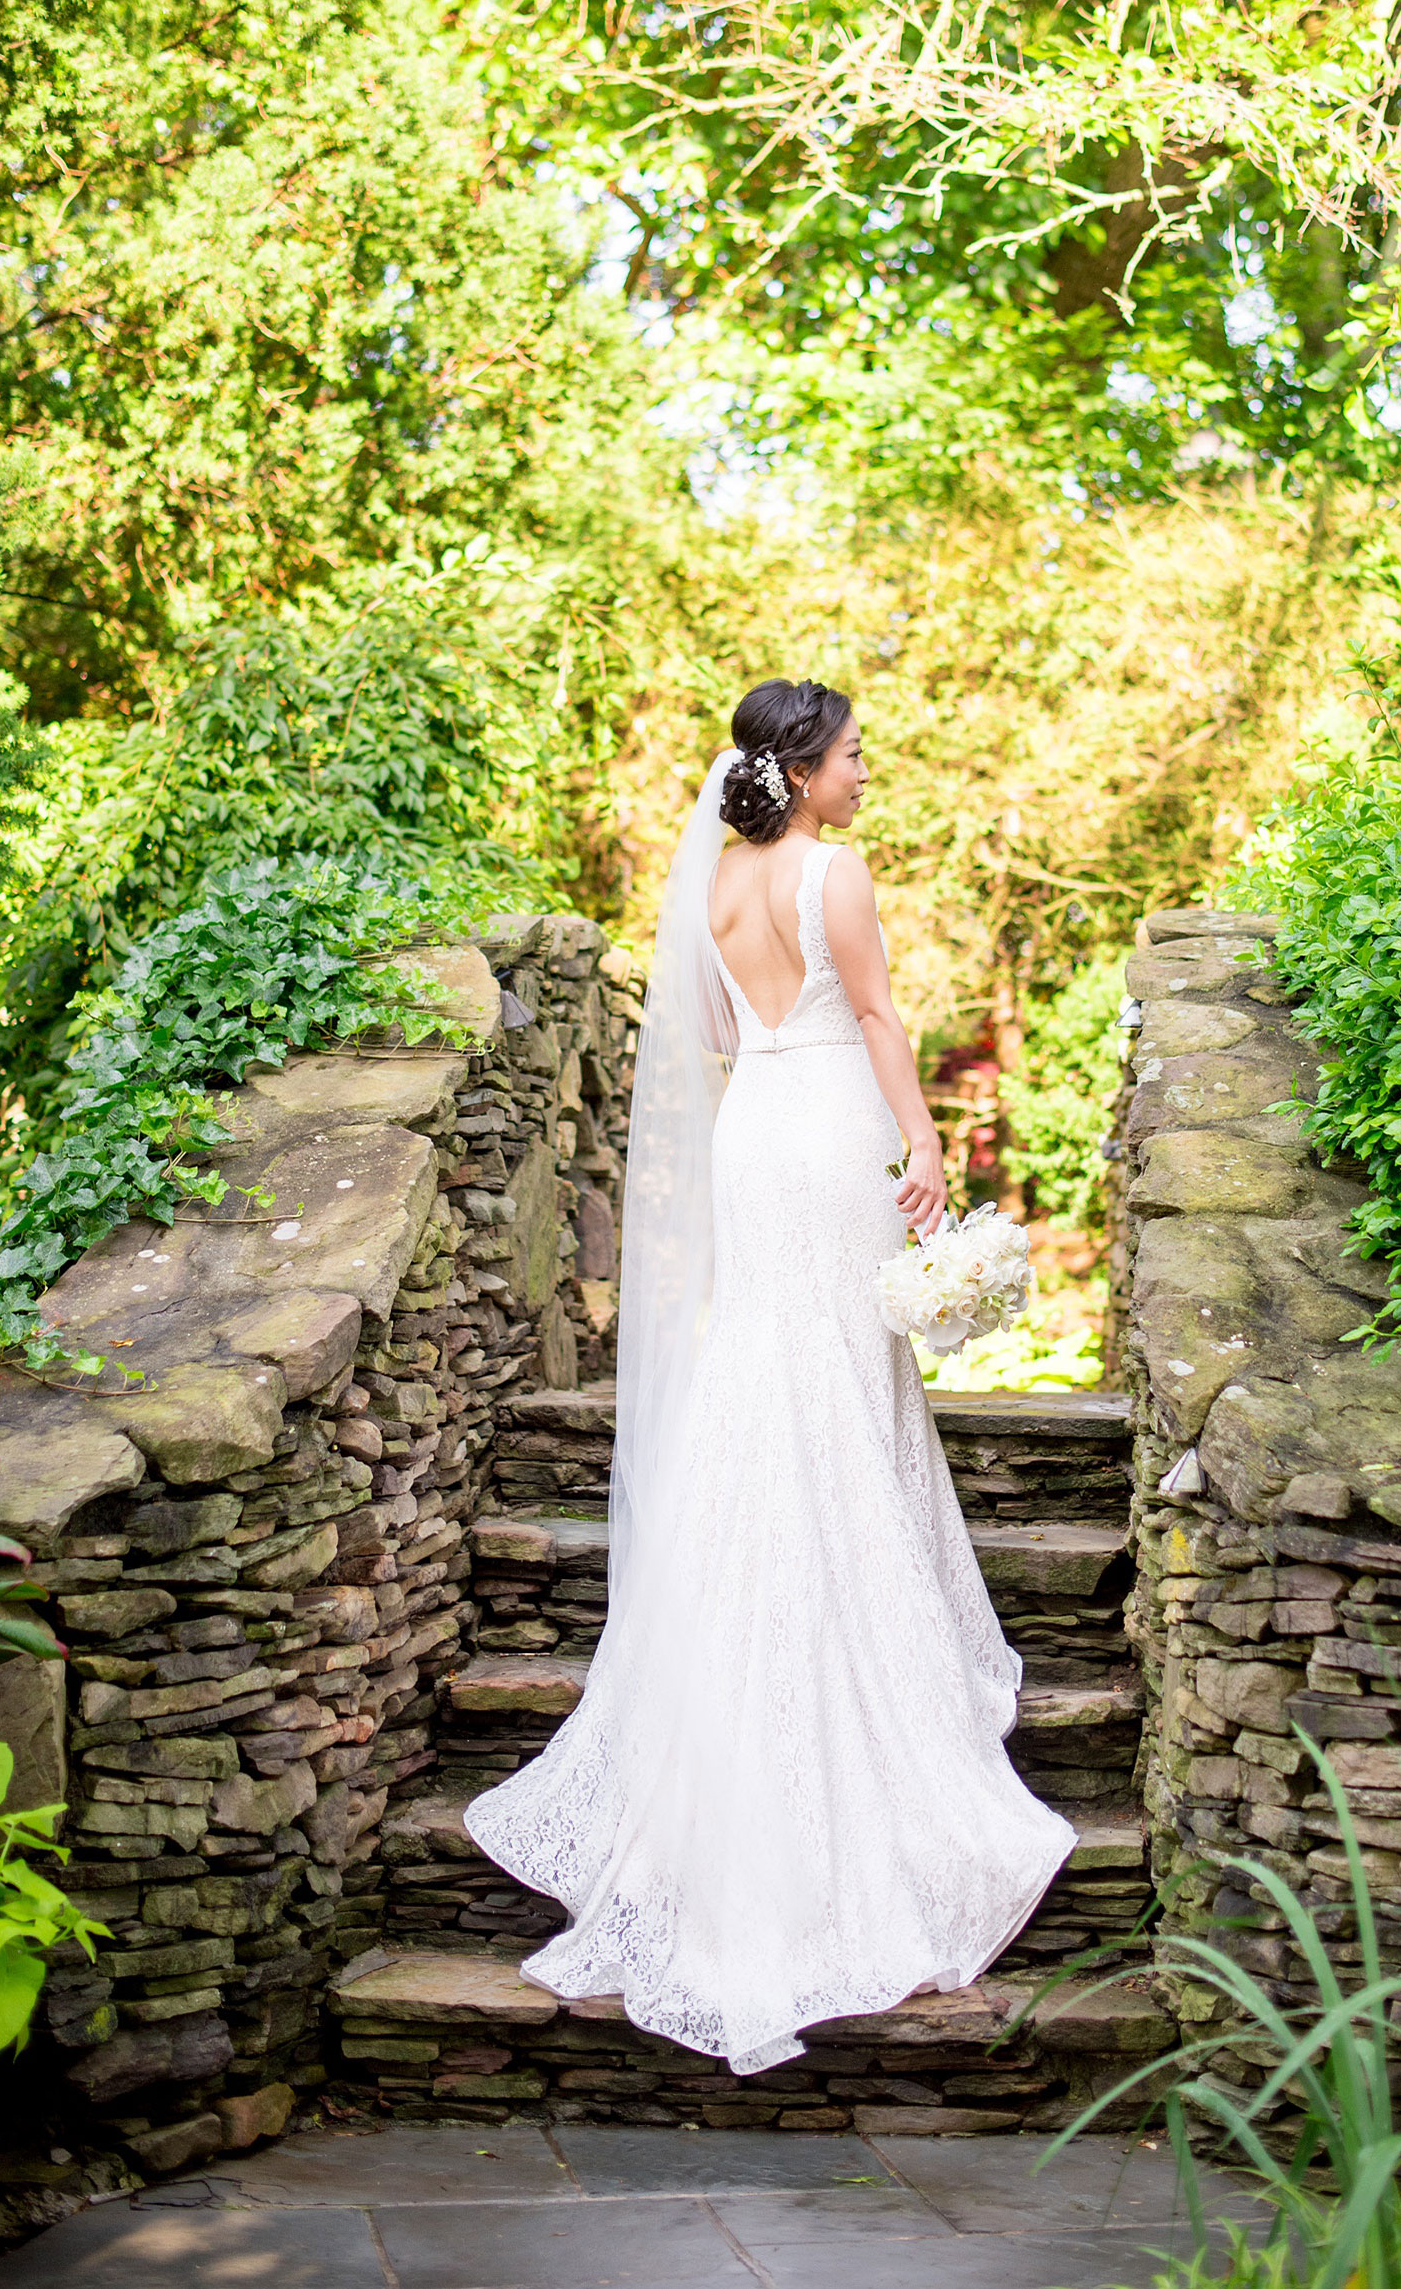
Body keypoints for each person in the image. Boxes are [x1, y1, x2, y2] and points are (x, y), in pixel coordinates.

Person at [464, 677, 1074, 2074]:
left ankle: (729, 1697)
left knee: (775, 1371)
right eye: (854, 751)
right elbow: (875, 1015)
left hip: (756, 1136)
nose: (867, 769)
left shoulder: (719, 879)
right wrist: (925, 1147)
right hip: (824, 1132)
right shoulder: (830, 870)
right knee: (843, 1378)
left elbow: (719, 1038)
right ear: (802, 767)